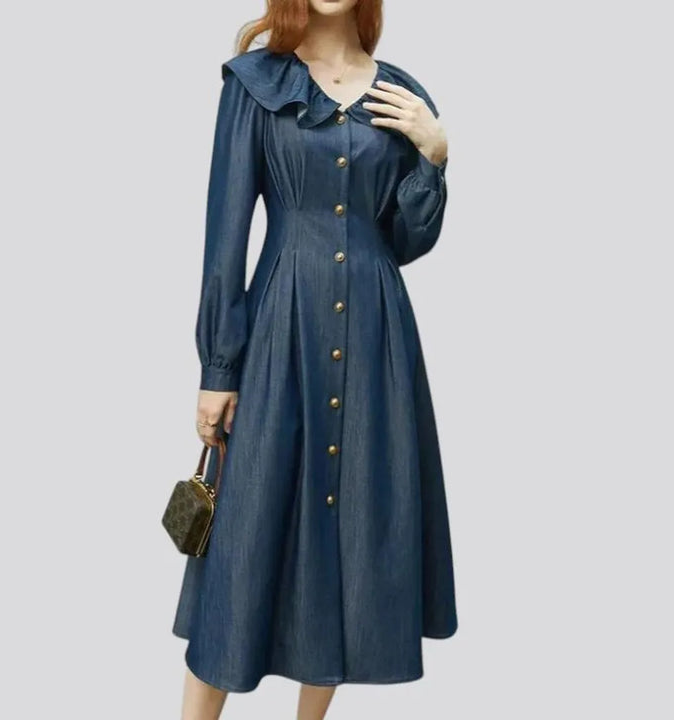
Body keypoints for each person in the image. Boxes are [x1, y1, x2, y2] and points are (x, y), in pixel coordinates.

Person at [171, 1, 458, 717]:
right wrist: (218, 368)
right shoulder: (255, 83)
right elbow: (224, 233)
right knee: (241, 538)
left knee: (351, 526)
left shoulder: (401, 94)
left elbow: (404, 241)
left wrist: (434, 157)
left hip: (376, 336)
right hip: (279, 327)